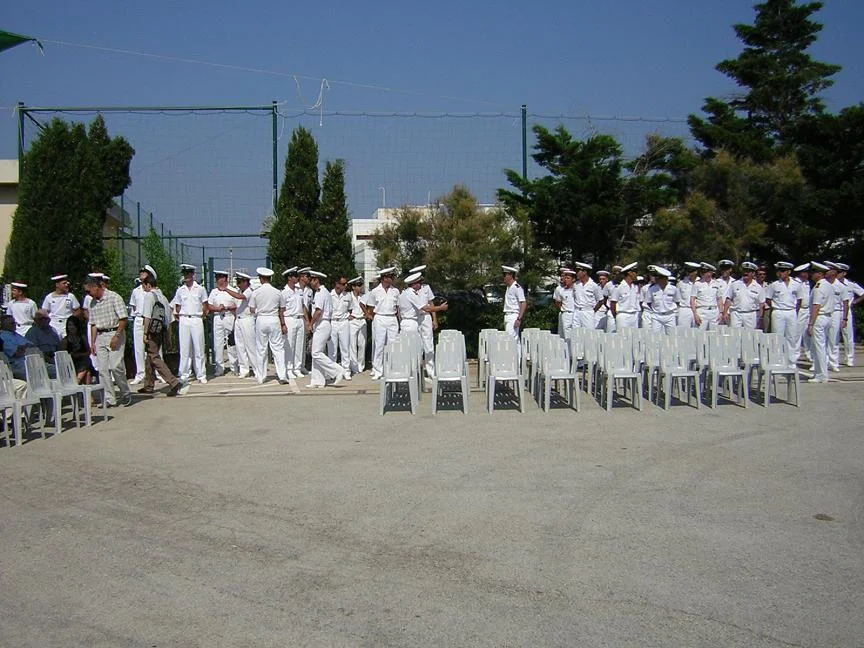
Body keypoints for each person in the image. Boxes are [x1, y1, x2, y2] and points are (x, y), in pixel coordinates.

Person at [84, 274, 132, 407]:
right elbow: (93, 324)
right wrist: (92, 343)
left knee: (116, 366)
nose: (88, 294)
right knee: (103, 369)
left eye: (89, 291)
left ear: (96, 287)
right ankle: (110, 398)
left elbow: (123, 318)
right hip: (100, 335)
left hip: (114, 332)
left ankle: (125, 392)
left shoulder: (114, 297)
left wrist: (116, 336)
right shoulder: (92, 303)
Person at [137, 275, 188, 397]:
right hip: (161, 330)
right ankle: (148, 385)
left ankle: (172, 381)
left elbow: (147, 316)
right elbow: (169, 319)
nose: (143, 288)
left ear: (148, 285)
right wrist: (169, 337)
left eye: (144, 285)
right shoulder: (163, 297)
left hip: (152, 330)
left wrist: (145, 333)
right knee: (149, 357)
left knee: (154, 357)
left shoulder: (150, 296)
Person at [398, 270, 448, 379]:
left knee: (428, 345)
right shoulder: (410, 293)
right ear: (414, 283)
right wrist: (441, 308)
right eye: (418, 282)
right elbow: (426, 307)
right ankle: (416, 372)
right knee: (416, 347)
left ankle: (429, 371)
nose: (420, 284)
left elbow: (430, 303)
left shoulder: (420, 289)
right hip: (413, 320)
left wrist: (434, 319)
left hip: (423, 317)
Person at [248, 267, 290, 384]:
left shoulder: (256, 292)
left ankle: (261, 376)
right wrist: (282, 323)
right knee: (278, 348)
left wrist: (259, 312)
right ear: (270, 278)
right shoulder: (277, 292)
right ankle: (282, 375)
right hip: (273, 319)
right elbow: (282, 309)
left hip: (261, 319)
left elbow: (252, 309)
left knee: (261, 349)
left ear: (261, 279)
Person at [171, 264, 209, 384]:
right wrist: (181, 315)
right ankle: (184, 373)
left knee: (199, 348)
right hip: (184, 319)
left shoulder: (200, 289)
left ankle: (201, 374)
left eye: (188, 274)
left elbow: (205, 306)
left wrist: (200, 316)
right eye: (184, 274)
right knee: (184, 348)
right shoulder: (180, 290)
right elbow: (177, 306)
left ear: (193, 275)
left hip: (196, 318)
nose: (186, 276)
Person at [307, 271, 345, 388]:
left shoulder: (320, 293)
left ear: (316, 280)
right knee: (317, 352)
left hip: (322, 323)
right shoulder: (325, 292)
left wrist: (310, 324)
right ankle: (317, 380)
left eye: (311, 280)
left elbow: (318, 311)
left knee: (316, 353)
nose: (310, 282)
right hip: (323, 323)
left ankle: (337, 370)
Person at [365, 267, 401, 380]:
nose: (391, 279)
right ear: (384, 278)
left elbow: (398, 307)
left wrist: (399, 319)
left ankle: (391, 368)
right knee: (379, 344)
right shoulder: (375, 291)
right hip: (380, 317)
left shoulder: (395, 291)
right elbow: (370, 306)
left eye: (391, 277)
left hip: (392, 318)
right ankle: (377, 370)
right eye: (389, 277)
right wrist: (370, 316)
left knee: (393, 344)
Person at [222, 271, 258, 380]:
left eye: (240, 282)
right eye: (238, 281)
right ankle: (244, 369)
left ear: (246, 282)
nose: (238, 284)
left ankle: (257, 369)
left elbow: (241, 297)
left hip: (247, 319)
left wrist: (226, 289)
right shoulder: (239, 291)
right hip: (238, 319)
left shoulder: (249, 291)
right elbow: (237, 305)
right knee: (240, 346)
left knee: (250, 346)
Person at [765, 261, 802, 367]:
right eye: (779, 271)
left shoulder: (796, 284)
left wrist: (794, 311)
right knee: (777, 336)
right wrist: (776, 306)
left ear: (788, 272)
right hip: (778, 311)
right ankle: (777, 360)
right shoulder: (774, 285)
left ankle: (791, 361)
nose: (780, 273)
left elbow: (799, 300)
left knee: (791, 337)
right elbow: (768, 299)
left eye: (783, 271)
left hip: (791, 311)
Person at [806, 261, 835, 383]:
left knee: (819, 347)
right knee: (821, 346)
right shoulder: (828, 285)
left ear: (819, 273)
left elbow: (816, 306)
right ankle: (819, 372)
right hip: (828, 317)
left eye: (813, 272)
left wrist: (811, 324)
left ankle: (821, 374)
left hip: (820, 317)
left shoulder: (819, 287)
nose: (811, 275)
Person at [208, 270, 238, 377]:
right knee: (218, 343)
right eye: (216, 278)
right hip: (218, 317)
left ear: (225, 279)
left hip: (229, 316)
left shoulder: (232, 290)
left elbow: (237, 305)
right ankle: (219, 368)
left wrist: (227, 307)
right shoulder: (214, 292)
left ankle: (234, 366)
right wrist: (217, 308)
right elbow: (209, 305)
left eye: (219, 278)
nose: (217, 280)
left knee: (231, 343)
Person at [723, 261, 765, 329]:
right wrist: (724, 313)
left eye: (748, 271)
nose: (746, 273)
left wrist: (760, 318)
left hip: (751, 315)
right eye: (745, 271)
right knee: (735, 335)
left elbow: (761, 304)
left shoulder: (758, 287)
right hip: (736, 314)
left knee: (750, 336)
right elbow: (728, 299)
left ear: (753, 273)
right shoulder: (735, 284)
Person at [824, 262, 849, 373]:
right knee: (822, 338)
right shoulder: (823, 284)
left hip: (836, 313)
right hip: (824, 312)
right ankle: (822, 362)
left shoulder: (841, 286)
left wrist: (845, 318)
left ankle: (833, 362)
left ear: (834, 272)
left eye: (830, 270)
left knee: (833, 339)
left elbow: (845, 303)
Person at [281, 267, 306, 379]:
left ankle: (297, 368)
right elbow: (281, 310)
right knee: (290, 345)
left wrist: (306, 320)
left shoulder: (299, 290)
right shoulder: (284, 292)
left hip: (299, 318)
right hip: (289, 319)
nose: (297, 278)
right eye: (295, 276)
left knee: (300, 345)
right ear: (289, 278)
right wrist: (282, 324)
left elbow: (303, 306)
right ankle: (289, 368)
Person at [836, 263, 863, 366]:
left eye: (839, 272)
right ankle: (833, 359)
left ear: (844, 273)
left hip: (846, 311)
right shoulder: (832, 284)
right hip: (834, 310)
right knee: (834, 336)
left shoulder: (850, 284)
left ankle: (849, 358)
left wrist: (854, 302)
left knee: (848, 335)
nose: (837, 274)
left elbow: (862, 293)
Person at [328, 275, 353, 381]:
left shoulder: (348, 295)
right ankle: (332, 371)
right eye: (343, 284)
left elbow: (350, 309)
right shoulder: (330, 295)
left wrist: (347, 316)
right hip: (333, 322)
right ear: (337, 284)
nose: (345, 286)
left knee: (345, 347)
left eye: (346, 284)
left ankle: (346, 370)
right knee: (332, 349)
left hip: (344, 322)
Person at [128, 267, 150, 384]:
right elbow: (134, 307)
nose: (142, 275)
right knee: (139, 348)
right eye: (140, 273)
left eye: (144, 273)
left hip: (150, 319)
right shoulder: (136, 291)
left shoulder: (152, 290)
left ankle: (157, 373)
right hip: (139, 318)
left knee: (154, 347)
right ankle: (140, 374)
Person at [41, 274, 80, 339]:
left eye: (67, 283)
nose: (67, 285)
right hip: (54, 324)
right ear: (57, 285)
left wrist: (71, 319)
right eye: (64, 283)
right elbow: (44, 312)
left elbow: (78, 310)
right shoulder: (49, 297)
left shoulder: (70, 296)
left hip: (67, 324)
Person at [25, 310, 61, 377]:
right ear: (35, 320)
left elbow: (59, 347)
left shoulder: (53, 331)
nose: (43, 321)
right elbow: (35, 352)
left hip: (54, 357)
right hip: (41, 361)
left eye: (45, 318)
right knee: (57, 371)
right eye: (40, 319)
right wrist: (51, 360)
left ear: (49, 320)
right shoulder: (32, 332)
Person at [0, 314, 36, 379]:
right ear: (4, 325)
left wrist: (23, 347)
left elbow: (33, 346)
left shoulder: (17, 335)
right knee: (34, 375)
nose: (14, 325)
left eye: (15, 323)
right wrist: (25, 346)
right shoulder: (3, 337)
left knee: (54, 369)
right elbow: (16, 353)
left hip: (32, 361)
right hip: (17, 365)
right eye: (12, 323)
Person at [644, 266, 678, 334]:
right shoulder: (652, 289)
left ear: (665, 278)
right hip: (657, 316)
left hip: (670, 315)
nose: (656, 279)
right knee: (655, 337)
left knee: (672, 336)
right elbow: (648, 302)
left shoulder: (673, 288)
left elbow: (677, 301)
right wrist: (656, 309)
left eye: (659, 278)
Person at [59, 315, 92, 384]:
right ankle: (78, 382)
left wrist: (80, 354)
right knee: (87, 372)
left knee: (87, 369)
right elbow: (62, 355)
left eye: (73, 325)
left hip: (82, 361)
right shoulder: (65, 340)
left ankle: (78, 382)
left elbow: (88, 351)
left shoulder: (82, 338)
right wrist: (72, 355)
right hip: (70, 363)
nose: (71, 327)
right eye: (69, 325)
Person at [690, 263, 723, 330]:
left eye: (707, 272)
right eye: (703, 272)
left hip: (714, 311)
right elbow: (692, 300)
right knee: (700, 334)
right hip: (702, 311)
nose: (705, 274)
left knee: (715, 334)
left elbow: (719, 299)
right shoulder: (697, 284)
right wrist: (695, 314)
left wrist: (720, 312)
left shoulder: (716, 283)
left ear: (711, 273)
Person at [572, 262, 603, 331]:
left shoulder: (593, 285)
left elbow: (601, 300)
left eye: (578, 271)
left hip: (588, 311)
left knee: (588, 334)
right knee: (575, 333)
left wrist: (593, 310)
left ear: (584, 272)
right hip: (577, 311)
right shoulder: (576, 285)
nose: (576, 273)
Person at [347, 276, 368, 375]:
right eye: (358, 285)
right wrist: (348, 316)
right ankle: (353, 366)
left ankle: (361, 365)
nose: (360, 287)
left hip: (362, 320)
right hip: (353, 321)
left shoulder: (363, 296)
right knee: (352, 345)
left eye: (361, 285)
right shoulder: (348, 296)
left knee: (362, 344)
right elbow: (344, 308)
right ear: (353, 287)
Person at [610, 262, 640, 330]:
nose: (636, 274)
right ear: (630, 273)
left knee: (634, 338)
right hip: (623, 315)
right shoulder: (619, 287)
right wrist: (616, 316)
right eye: (635, 272)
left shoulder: (634, 286)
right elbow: (613, 304)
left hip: (634, 315)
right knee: (622, 338)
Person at [793, 263, 812, 363]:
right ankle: (795, 354)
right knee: (797, 333)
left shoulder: (808, 283)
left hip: (807, 309)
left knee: (807, 333)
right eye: (805, 272)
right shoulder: (795, 283)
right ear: (801, 273)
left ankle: (809, 353)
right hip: (799, 310)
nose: (807, 275)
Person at [501, 265, 526, 340]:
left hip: (513, 315)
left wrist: (519, 319)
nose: (503, 277)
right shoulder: (508, 287)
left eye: (505, 275)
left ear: (510, 275)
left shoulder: (516, 287)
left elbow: (523, 303)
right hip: (507, 315)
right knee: (515, 340)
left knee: (510, 339)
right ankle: (518, 352)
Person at [675, 262, 701, 328]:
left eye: (692, 271)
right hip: (685, 309)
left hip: (699, 309)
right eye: (689, 271)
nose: (690, 273)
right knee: (683, 332)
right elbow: (677, 299)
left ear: (696, 271)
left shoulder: (701, 282)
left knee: (699, 332)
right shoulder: (681, 283)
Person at [553, 268, 576, 339]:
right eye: (564, 277)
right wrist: (563, 309)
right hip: (566, 313)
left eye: (568, 278)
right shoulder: (561, 290)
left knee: (576, 333)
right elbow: (557, 301)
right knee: (566, 334)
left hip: (576, 313)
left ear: (573, 279)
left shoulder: (576, 289)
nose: (565, 279)